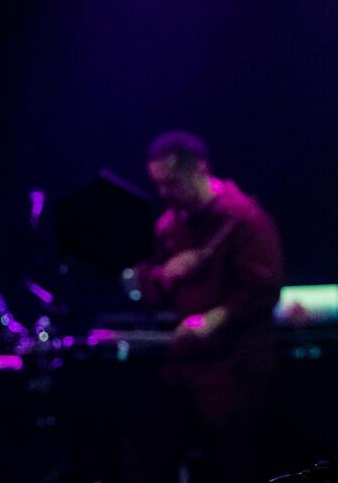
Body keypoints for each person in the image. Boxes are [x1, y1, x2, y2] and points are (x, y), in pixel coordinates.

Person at [121, 130, 285, 483]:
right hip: (184, 364)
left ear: (199, 169)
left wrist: (215, 318)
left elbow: (263, 289)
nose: (164, 194)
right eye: (159, 185)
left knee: (229, 462)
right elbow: (146, 283)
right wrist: (167, 273)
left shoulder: (244, 219)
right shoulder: (170, 225)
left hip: (233, 367)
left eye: (172, 183)